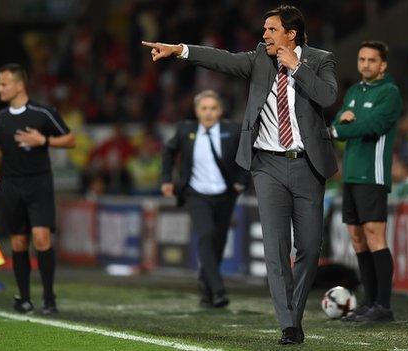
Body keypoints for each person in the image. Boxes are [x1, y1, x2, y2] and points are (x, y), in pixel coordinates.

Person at [144, 5, 338, 345]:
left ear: (291, 34)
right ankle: (289, 324)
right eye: (264, 30)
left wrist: (298, 67)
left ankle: (294, 310)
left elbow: (328, 96)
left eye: (271, 30)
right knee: (276, 247)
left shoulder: (321, 60)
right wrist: (180, 50)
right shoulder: (259, 59)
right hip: (267, 166)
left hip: (308, 166)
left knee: (309, 246)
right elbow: (222, 59)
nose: (264, 36)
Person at [0, 63, 76, 314]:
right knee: (19, 242)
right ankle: (23, 297)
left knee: (42, 239)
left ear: (19, 85)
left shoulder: (42, 113)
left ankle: (49, 297)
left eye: (4, 84)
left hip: (39, 184)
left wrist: (43, 140)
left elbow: (71, 139)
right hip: (11, 186)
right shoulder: (1, 119)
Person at [329, 41, 402, 322]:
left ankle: (383, 305)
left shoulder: (390, 94)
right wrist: (341, 124)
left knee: (374, 235)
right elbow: (342, 119)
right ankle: (369, 302)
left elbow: (371, 125)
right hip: (350, 174)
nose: (366, 64)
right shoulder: (354, 91)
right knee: (357, 238)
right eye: (362, 59)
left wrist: (339, 129)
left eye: (372, 60)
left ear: (383, 65)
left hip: (373, 174)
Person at [161, 90, 249, 308]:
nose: (208, 113)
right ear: (196, 111)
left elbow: (249, 154)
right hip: (196, 194)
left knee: (218, 242)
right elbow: (168, 151)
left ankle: (205, 285)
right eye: (204, 108)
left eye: (212, 108)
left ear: (220, 111)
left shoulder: (233, 130)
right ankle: (218, 291)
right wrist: (166, 179)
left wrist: (242, 180)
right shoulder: (185, 130)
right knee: (206, 235)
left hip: (225, 194)